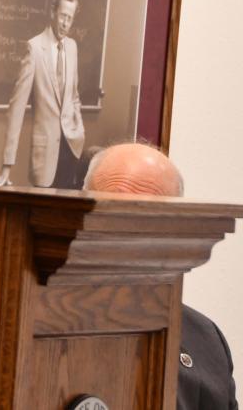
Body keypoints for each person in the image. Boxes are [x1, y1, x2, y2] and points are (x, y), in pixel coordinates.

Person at [85, 143, 239, 409]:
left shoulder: (205, 338)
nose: (129, 233)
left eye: (147, 215)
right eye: (115, 210)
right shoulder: (46, 327)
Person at [2, 0, 85, 188]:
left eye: (70, 18)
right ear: (52, 12)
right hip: (45, 157)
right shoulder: (34, 48)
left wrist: (79, 127)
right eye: (63, 16)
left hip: (72, 149)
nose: (66, 24)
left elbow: (74, 96)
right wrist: (6, 164)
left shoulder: (73, 47)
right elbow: (16, 108)